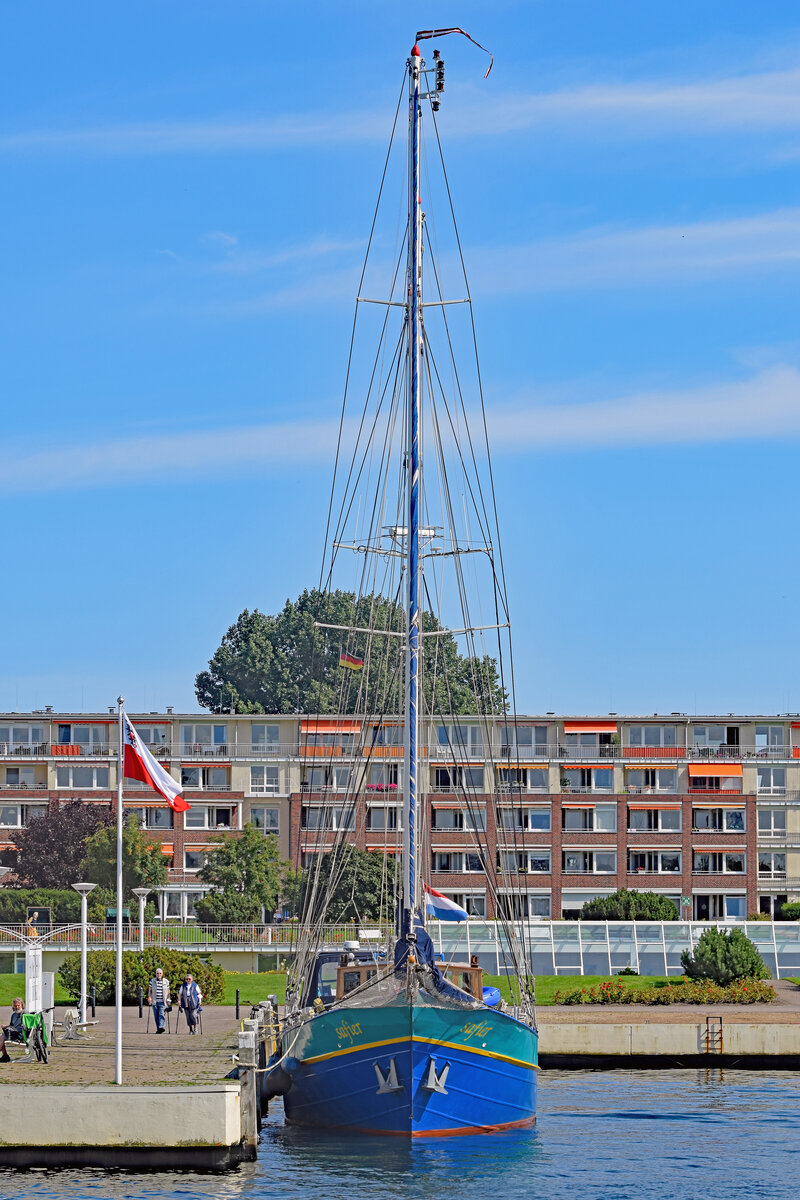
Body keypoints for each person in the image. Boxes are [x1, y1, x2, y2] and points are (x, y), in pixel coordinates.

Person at [147, 967, 171, 1033]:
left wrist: (168, 999)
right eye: (157, 973)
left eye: (160, 973)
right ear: (155, 974)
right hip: (155, 1001)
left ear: (162, 974)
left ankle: (161, 1027)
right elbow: (150, 990)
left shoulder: (166, 981)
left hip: (163, 1001)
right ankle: (159, 1029)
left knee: (161, 1014)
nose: (159, 974)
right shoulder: (152, 981)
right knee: (156, 1015)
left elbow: (168, 991)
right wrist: (149, 997)